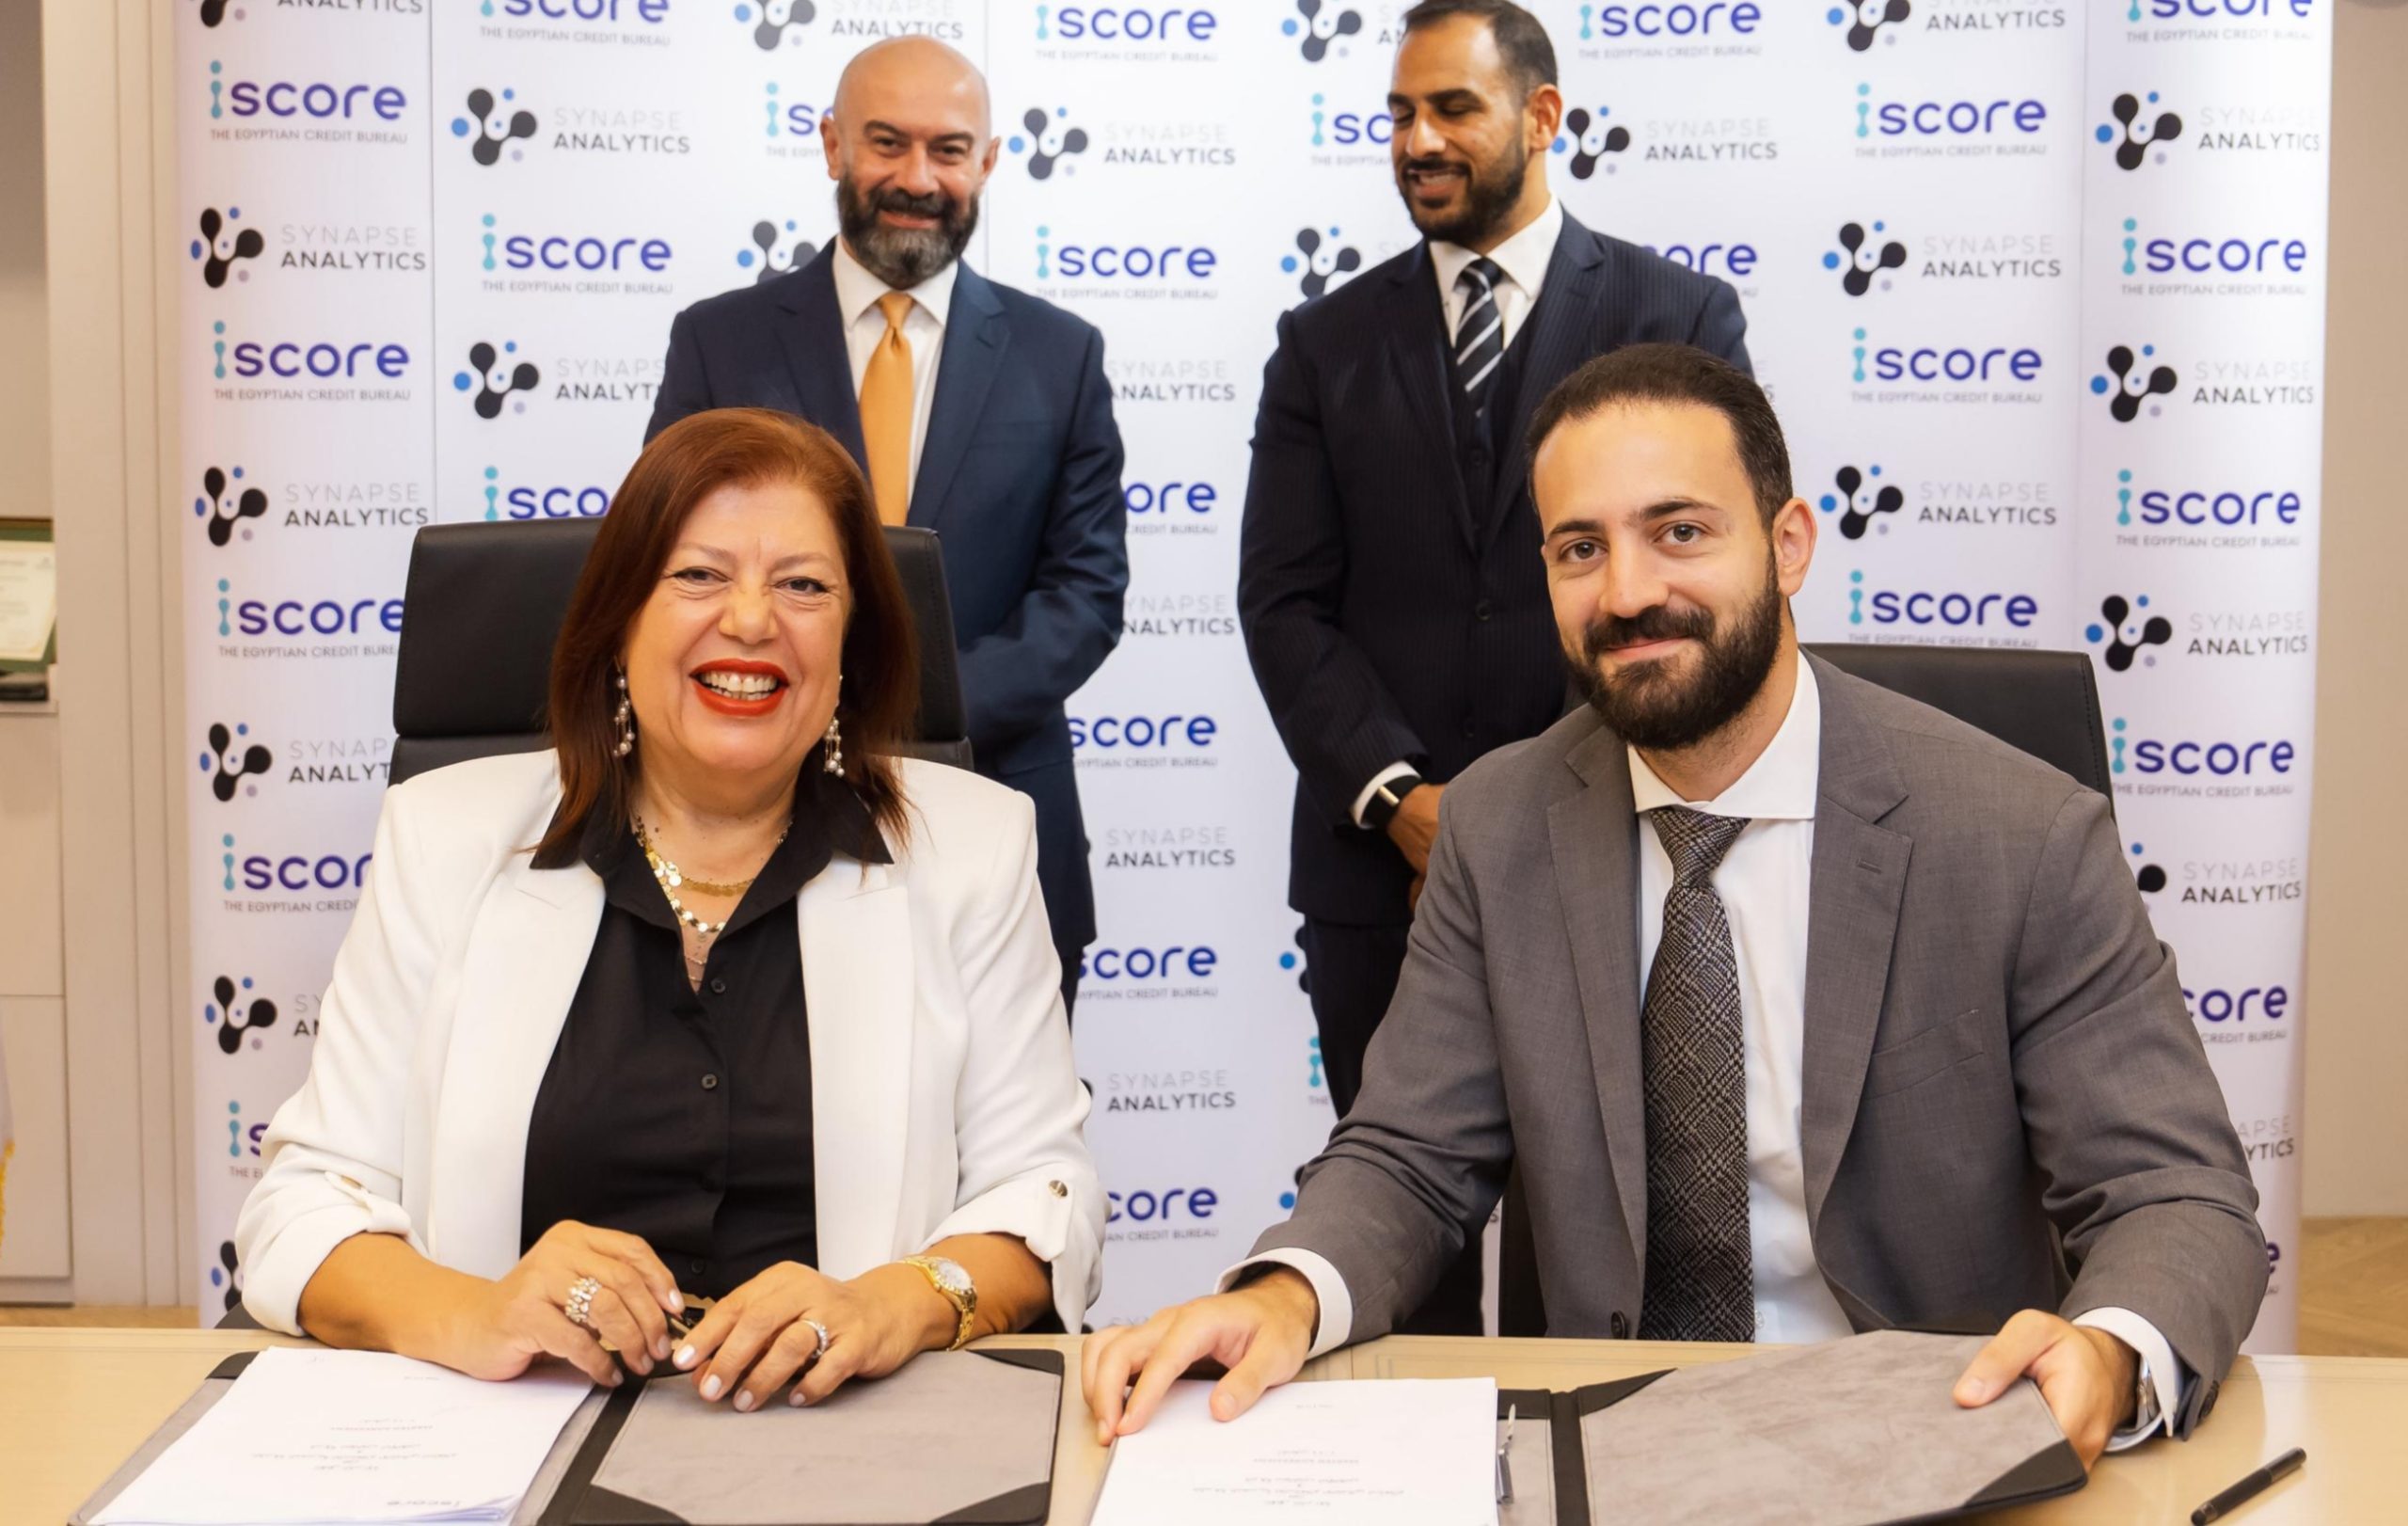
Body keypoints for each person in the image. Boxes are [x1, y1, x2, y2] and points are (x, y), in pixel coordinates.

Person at [1090, 345, 2267, 1467]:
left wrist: (2109, 1350)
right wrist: (1285, 1291)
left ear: (1788, 543)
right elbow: (1408, 1156)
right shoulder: (1498, 827)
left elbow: (2175, 1193)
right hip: (1608, 1446)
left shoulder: (2021, 834)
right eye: (1579, 548)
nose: (1628, 592)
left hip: (1932, 1434)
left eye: (1680, 532)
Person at [237, 409, 1103, 1412]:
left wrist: (890, 1305)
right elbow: (303, 1207)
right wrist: (476, 1311)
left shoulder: (974, 847)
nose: (751, 620)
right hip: (514, 1432)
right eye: (698, 575)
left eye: (804, 585)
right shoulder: (442, 837)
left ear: (851, 642)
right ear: (619, 621)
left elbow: (1045, 1199)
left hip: (842, 1434)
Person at [1239, 0, 1749, 1331]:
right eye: (1399, 114)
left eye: (1452, 109)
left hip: (1621, 844)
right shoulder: (1322, 344)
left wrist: (1527, 803)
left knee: (1604, 1243)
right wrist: (1403, 802)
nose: (1417, 140)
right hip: (1374, 872)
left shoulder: (1676, 312)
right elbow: (1284, 603)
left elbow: (1688, 581)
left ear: (1541, 116)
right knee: (1392, 1228)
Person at [647, 37, 1126, 1018]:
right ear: (833, 145)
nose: (917, 178)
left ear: (988, 162)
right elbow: (668, 565)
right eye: (886, 142)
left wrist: (901, 707)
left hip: (999, 807)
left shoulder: (1062, 355)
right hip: (753, 826)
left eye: (948, 150)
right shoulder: (719, 342)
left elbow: (1084, 597)